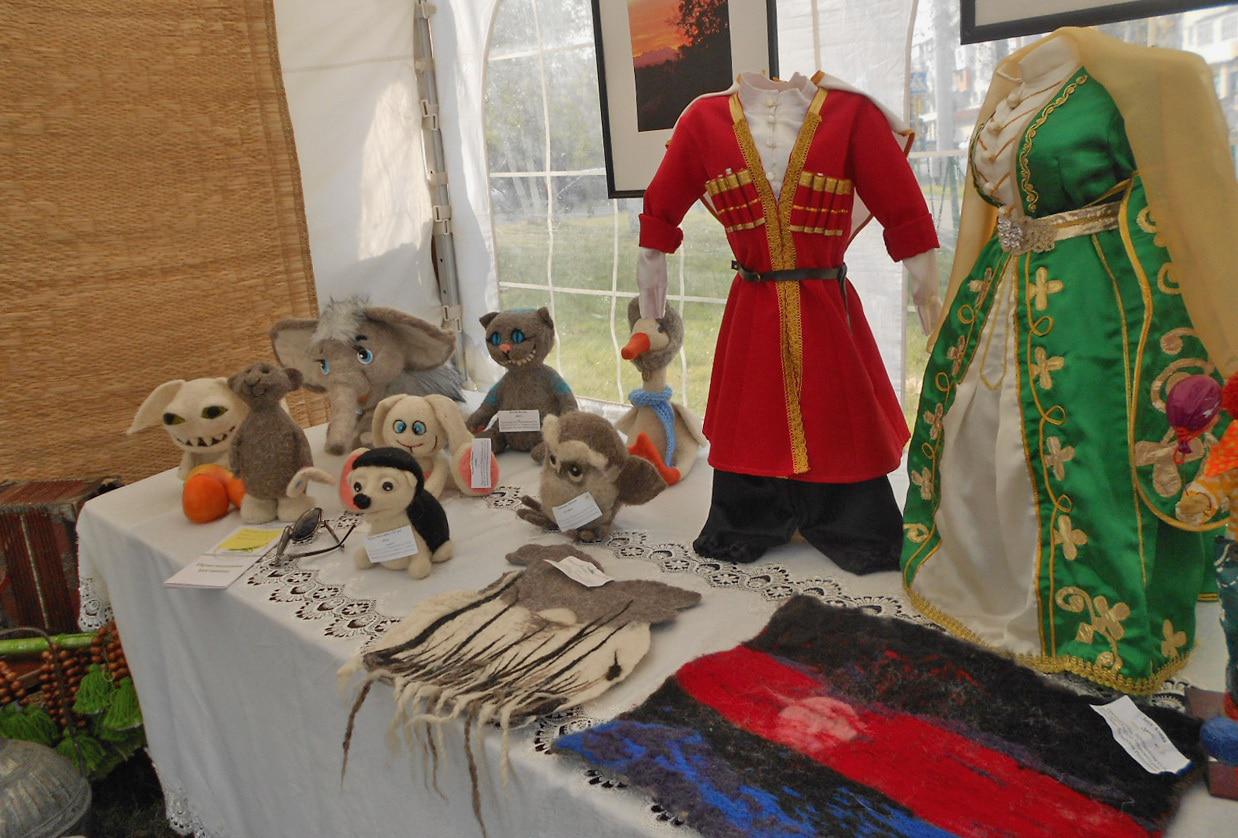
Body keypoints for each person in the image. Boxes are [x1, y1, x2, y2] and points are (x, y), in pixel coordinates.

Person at [901, 28, 1238, 693]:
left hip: (1091, 293)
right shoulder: (1011, 85)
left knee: (1086, 444)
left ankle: (1091, 619)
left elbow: (1184, 195)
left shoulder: (1138, 81)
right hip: (1000, 281)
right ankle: (983, 576)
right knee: (981, 431)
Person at [636, 70, 940, 573]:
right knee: (753, 412)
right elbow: (659, 214)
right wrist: (650, 309)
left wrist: (932, 306)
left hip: (827, 306)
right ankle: (751, 514)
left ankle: (849, 517)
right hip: (752, 306)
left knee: (837, 408)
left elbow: (905, 210)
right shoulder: (703, 121)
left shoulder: (853, 115)